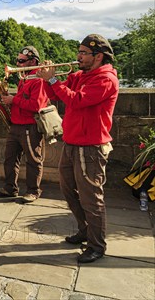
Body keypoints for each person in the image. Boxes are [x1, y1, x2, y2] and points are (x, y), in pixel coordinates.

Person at [37, 34, 119, 264]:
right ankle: (84, 230)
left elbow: (77, 100)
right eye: (79, 52)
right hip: (72, 142)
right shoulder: (80, 75)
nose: (78, 57)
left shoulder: (105, 79)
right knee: (67, 189)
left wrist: (54, 81)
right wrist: (47, 79)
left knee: (92, 199)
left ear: (98, 56)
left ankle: (97, 245)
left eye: (83, 53)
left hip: (91, 146)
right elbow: (55, 95)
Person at [0, 46, 49, 203]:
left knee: (33, 160)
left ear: (32, 61)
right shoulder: (23, 78)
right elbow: (22, 101)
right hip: (16, 124)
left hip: (30, 125)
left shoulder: (38, 79)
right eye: (17, 60)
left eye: (21, 61)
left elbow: (36, 106)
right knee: (10, 159)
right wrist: (8, 99)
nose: (17, 64)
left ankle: (33, 191)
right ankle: (10, 187)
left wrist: (13, 100)